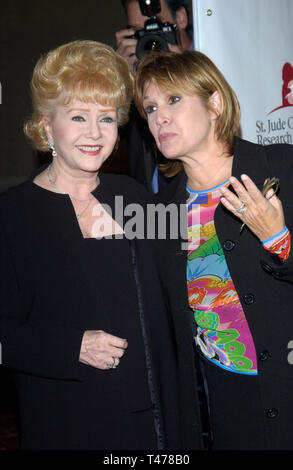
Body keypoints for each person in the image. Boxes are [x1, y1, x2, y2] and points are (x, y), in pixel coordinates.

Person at [0, 40, 184, 450]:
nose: (94, 133)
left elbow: (185, 272)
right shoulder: (11, 215)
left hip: (151, 420)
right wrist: (70, 346)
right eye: (79, 116)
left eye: (106, 118)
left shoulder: (133, 197)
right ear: (47, 125)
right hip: (65, 418)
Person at [134, 50, 293, 450]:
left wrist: (280, 241)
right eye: (150, 108)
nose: (159, 117)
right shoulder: (163, 213)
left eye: (173, 100)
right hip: (226, 401)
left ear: (215, 103)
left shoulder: (283, 168)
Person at [115, 0, 193, 193]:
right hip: (153, 207)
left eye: (157, 27)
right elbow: (108, 133)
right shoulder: (133, 78)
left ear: (181, 18)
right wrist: (120, 79)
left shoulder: (218, 59)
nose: (150, 39)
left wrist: (185, 70)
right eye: (138, 31)